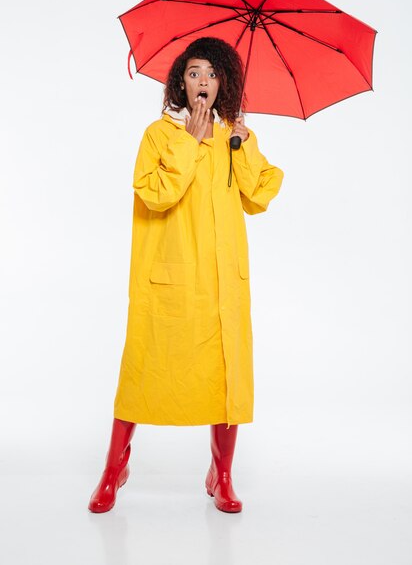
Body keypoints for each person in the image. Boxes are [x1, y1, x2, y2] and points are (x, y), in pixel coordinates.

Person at [88, 37, 284, 514]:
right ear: (180, 81)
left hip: (222, 282)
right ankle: (115, 467)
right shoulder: (160, 135)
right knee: (144, 369)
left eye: (213, 74)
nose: (203, 82)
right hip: (172, 281)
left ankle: (222, 473)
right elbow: (153, 194)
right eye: (194, 73)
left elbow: (258, 197)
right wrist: (190, 144)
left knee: (225, 374)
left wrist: (240, 144)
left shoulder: (235, 137)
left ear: (224, 84)